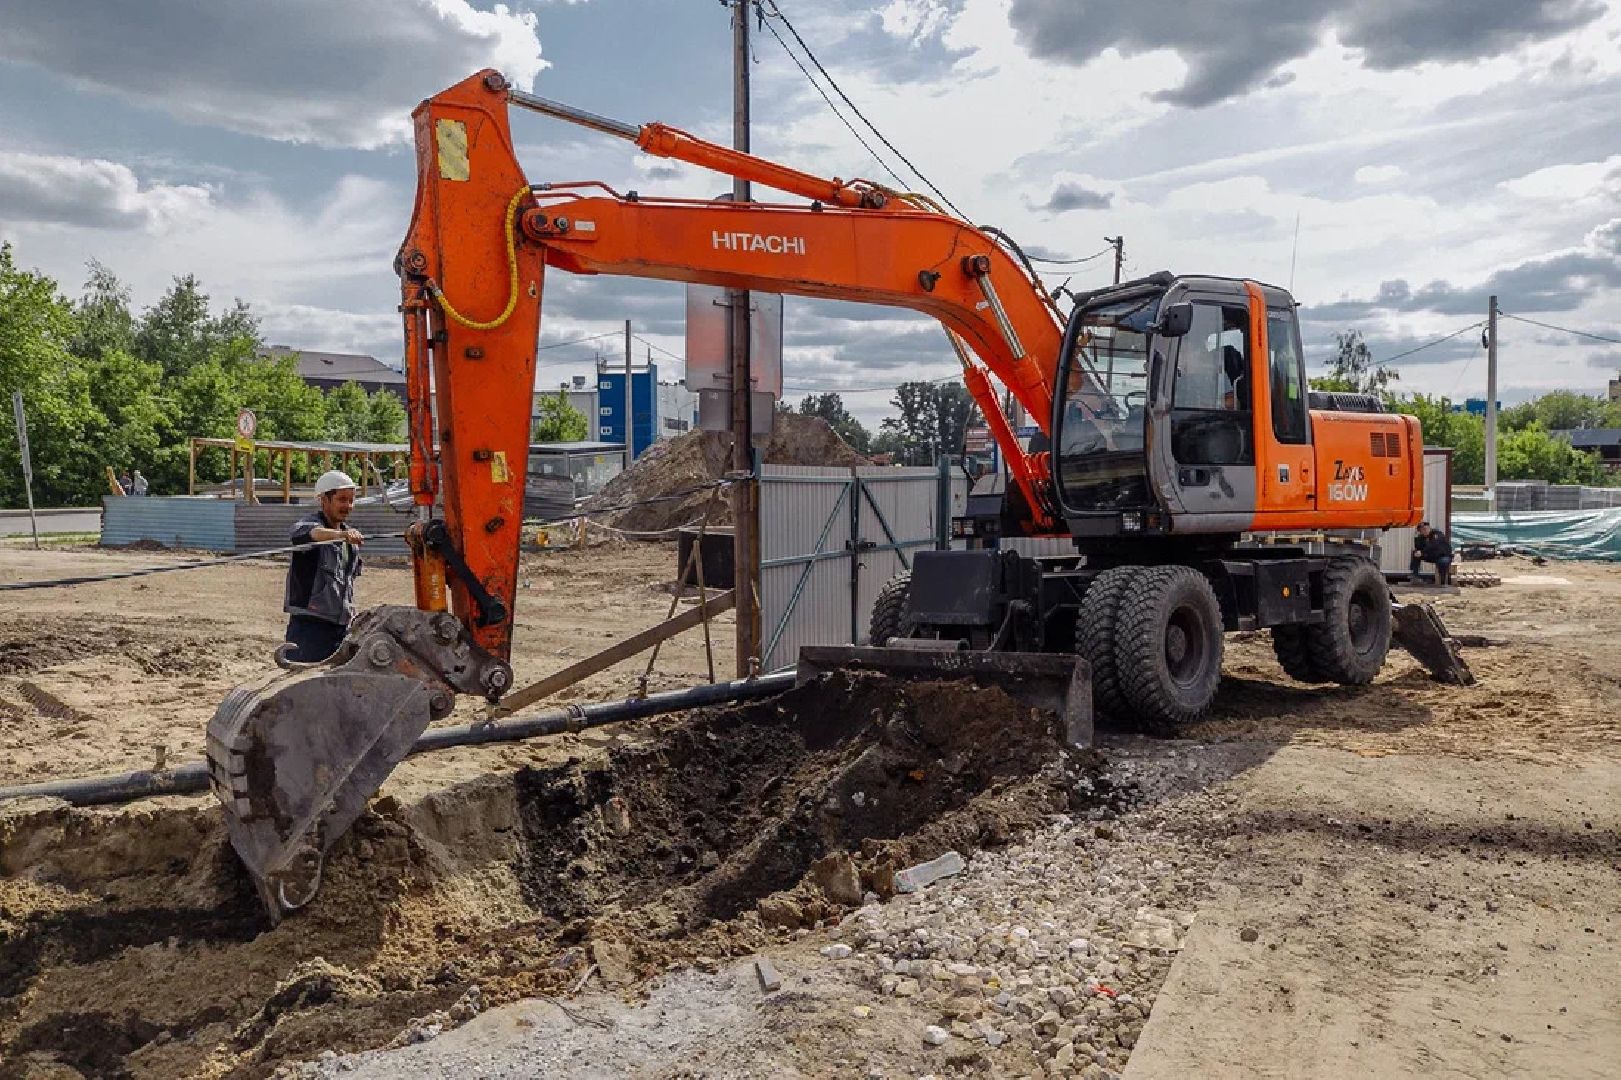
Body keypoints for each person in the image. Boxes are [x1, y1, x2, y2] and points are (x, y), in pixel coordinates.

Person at [284, 470, 366, 662]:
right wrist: (340, 536)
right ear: (324, 500)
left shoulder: (350, 540)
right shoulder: (310, 524)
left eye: (351, 500)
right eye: (342, 499)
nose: (348, 506)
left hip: (340, 628)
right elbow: (305, 533)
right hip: (309, 628)